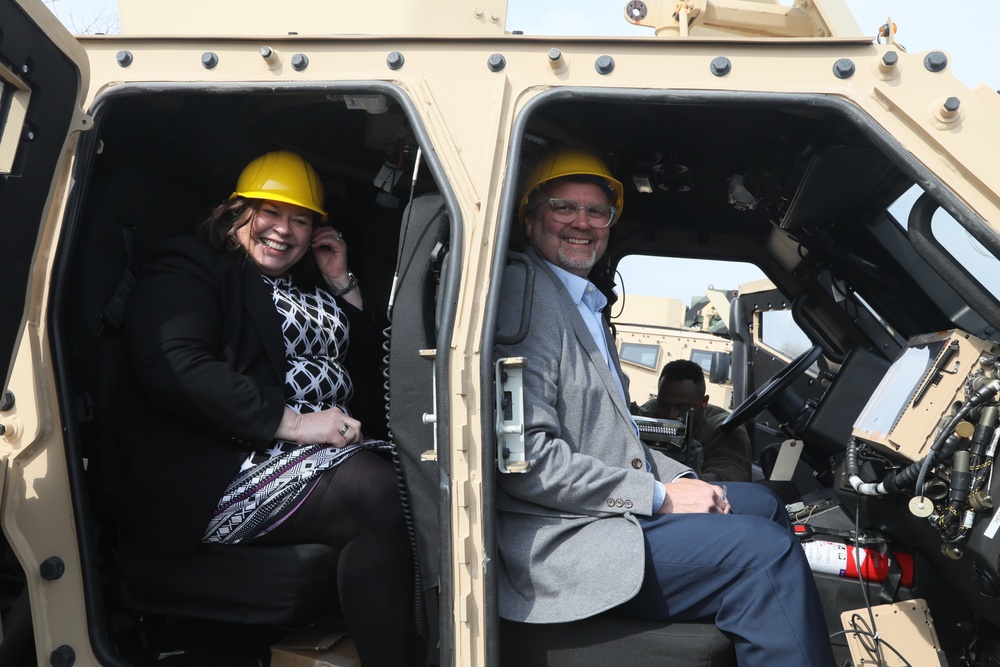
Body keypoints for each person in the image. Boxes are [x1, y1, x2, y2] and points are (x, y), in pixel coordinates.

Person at [494, 147, 835, 666]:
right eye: (565, 208)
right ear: (530, 218)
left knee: (764, 504)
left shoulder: (578, 301)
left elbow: (614, 436)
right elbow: (526, 463)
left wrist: (679, 483)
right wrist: (657, 497)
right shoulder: (525, 303)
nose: (582, 223)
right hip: (557, 541)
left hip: (592, 515)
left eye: (597, 212)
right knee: (765, 554)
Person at [113, 150, 412, 666]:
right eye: (269, 212)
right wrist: (294, 424)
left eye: (300, 219)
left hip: (323, 453)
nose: (283, 230)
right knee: (377, 492)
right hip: (225, 466)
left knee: (427, 480)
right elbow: (175, 366)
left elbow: (372, 370)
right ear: (235, 213)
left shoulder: (309, 280)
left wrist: (342, 282)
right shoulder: (191, 265)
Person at [634, 359, 752, 482]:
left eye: (682, 408)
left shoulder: (724, 428)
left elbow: (731, 472)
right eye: (664, 405)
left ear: (704, 402)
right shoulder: (648, 413)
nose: (671, 415)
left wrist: (692, 479)